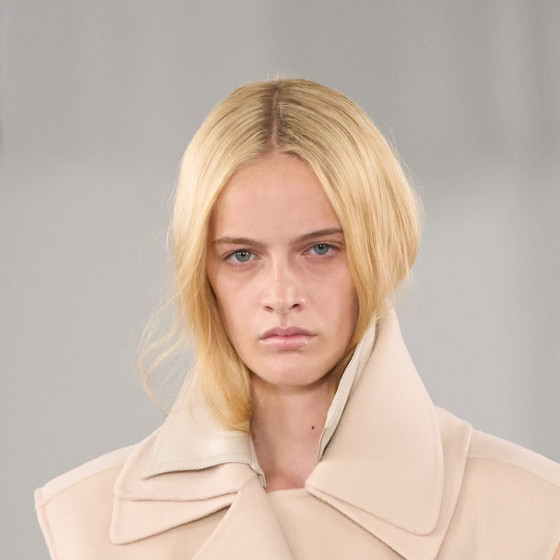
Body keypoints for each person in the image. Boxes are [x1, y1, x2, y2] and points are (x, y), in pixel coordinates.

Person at [35, 78, 560, 560]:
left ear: (382, 251)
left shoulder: (527, 514)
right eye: (242, 255)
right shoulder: (91, 524)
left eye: (320, 248)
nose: (281, 295)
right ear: (203, 272)